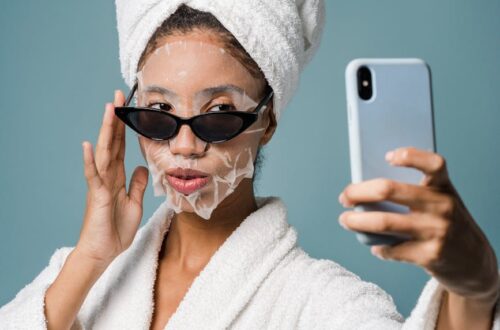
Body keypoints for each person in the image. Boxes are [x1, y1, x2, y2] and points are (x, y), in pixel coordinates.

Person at [1, 2, 499, 329]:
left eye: (219, 115)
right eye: (159, 113)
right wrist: (90, 258)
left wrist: (477, 289)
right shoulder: (81, 274)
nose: (185, 144)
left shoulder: (320, 303)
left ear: (269, 120)